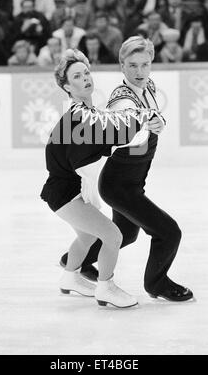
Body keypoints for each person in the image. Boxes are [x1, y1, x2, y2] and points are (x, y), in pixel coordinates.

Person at [61, 36, 194, 302]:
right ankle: (157, 284)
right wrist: (147, 124)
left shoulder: (149, 86)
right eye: (132, 65)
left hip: (131, 182)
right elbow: (126, 127)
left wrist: (156, 120)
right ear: (122, 66)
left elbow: (153, 115)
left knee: (127, 235)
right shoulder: (121, 100)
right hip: (119, 185)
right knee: (168, 232)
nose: (139, 72)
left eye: (145, 64)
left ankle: (75, 260)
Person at [41, 48, 152, 307]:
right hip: (65, 193)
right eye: (77, 76)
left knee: (88, 236)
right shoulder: (79, 115)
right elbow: (111, 135)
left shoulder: (87, 112)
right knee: (113, 236)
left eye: (87, 73)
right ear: (67, 86)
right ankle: (106, 287)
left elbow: (108, 129)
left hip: (66, 189)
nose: (85, 78)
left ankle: (70, 277)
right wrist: (147, 119)